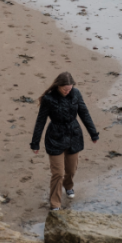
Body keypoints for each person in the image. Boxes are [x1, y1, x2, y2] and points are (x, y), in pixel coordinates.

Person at [30, 72, 99, 211]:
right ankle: (55, 203)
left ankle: (68, 186)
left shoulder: (76, 94)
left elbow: (84, 113)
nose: (68, 91)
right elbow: (41, 121)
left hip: (74, 135)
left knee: (71, 169)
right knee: (58, 173)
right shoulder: (48, 99)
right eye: (65, 89)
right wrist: (35, 143)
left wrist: (93, 133)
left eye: (70, 88)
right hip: (55, 137)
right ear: (58, 86)